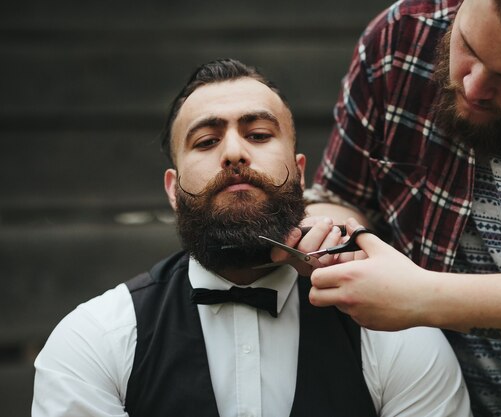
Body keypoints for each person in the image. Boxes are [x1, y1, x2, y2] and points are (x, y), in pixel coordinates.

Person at [31, 59, 471, 417]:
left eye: (258, 135)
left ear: (301, 174)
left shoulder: (390, 334)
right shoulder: (93, 341)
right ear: (172, 189)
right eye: (205, 141)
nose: (235, 152)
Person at [300, 0, 501, 416]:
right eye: (469, 47)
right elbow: (341, 197)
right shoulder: (398, 40)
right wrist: (326, 235)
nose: (473, 88)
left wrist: (421, 296)